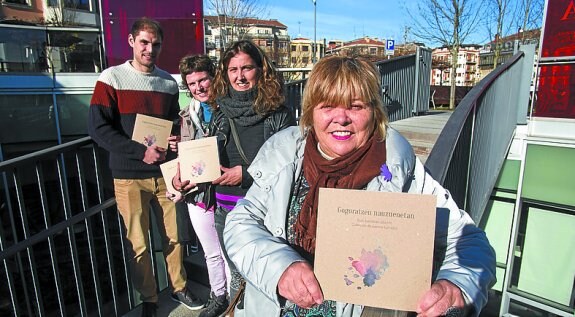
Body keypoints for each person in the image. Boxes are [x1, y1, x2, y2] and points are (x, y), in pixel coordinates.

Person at [222, 56, 497, 317]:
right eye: (327, 106)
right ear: (311, 113)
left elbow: (470, 240)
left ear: (374, 113)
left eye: (355, 106)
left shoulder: (400, 171)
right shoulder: (283, 159)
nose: (341, 118)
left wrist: (456, 286)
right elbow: (240, 223)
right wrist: (279, 268)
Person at [87, 17, 203, 317]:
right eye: (144, 42)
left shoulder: (167, 81)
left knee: (175, 237)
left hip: (164, 175)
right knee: (137, 244)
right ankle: (150, 299)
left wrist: (175, 138)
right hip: (128, 177)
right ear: (131, 41)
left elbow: (170, 123)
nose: (150, 49)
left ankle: (178, 287)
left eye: (156, 44)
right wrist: (140, 152)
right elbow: (98, 129)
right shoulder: (111, 78)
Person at [173, 39, 296, 312]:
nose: (239, 76)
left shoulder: (278, 114)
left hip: (264, 211)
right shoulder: (219, 111)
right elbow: (208, 160)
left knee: (263, 276)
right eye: (233, 69)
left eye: (247, 68)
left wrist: (246, 175)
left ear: (260, 70)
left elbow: (289, 165)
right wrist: (183, 178)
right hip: (225, 210)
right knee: (235, 274)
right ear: (225, 73)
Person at [167, 54, 229, 317]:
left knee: (231, 251)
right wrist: (176, 155)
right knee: (211, 252)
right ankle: (219, 296)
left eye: (203, 80)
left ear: (213, 78)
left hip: (226, 190)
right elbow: (182, 159)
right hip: (198, 195)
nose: (199, 87)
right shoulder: (185, 117)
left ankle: (237, 296)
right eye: (192, 83)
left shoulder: (229, 109)